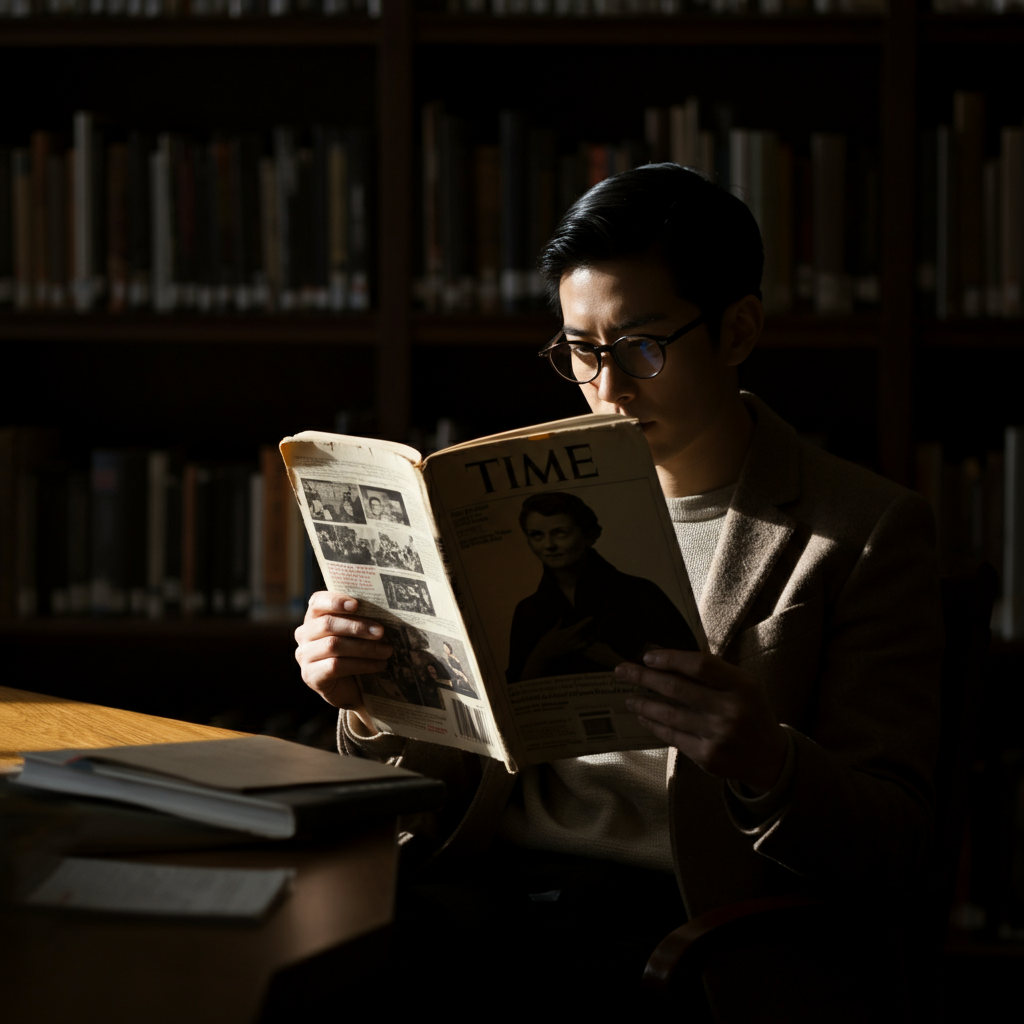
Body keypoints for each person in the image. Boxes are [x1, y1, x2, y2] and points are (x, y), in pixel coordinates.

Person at [292, 163, 942, 1016]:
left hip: (687, 920)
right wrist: (375, 703)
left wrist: (767, 763)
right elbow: (435, 797)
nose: (608, 389)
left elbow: (896, 845)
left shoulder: (862, 530)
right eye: (580, 351)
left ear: (739, 329)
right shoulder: (500, 504)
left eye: (642, 347)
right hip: (489, 885)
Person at [507, 491, 697, 682]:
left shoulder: (642, 594)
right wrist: (542, 654)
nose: (548, 545)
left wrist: (613, 661)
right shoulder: (528, 611)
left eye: (560, 533)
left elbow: (690, 675)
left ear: (589, 535)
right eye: (537, 535)